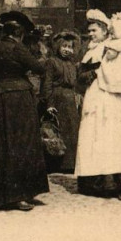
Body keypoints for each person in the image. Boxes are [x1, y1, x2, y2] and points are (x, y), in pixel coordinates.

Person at [75, 10, 121, 200]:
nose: (91, 34)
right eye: (89, 31)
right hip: (98, 96)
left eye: (95, 30)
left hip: (114, 97)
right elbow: (83, 75)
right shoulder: (93, 49)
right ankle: (101, 183)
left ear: (105, 30)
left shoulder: (114, 47)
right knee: (99, 138)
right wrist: (92, 74)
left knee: (118, 139)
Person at [0, 11, 49, 211]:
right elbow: (39, 69)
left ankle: (1, 195)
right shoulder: (18, 49)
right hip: (18, 98)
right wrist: (43, 57)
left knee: (1, 145)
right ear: (19, 33)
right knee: (21, 144)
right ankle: (20, 194)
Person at [40, 30, 81, 173]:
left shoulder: (72, 64)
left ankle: (70, 164)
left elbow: (75, 83)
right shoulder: (51, 62)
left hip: (70, 99)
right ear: (58, 46)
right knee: (58, 131)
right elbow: (47, 84)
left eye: (70, 47)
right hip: (57, 99)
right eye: (64, 46)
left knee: (72, 131)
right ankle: (57, 164)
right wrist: (49, 104)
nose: (67, 50)